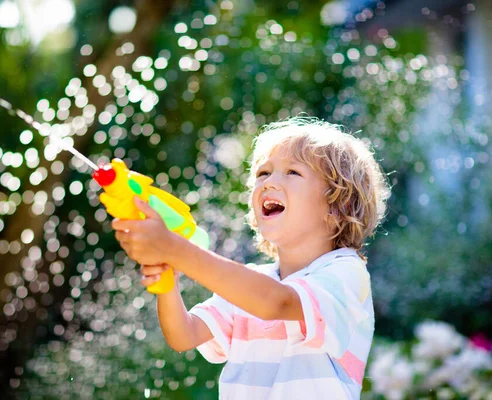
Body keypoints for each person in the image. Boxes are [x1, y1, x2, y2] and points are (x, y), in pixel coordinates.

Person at [111, 116, 390, 399]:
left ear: (337, 205)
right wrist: (168, 276)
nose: (269, 182)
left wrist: (175, 249)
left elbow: (276, 302)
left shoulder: (346, 274)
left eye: (292, 172)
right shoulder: (250, 284)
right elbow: (184, 335)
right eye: (263, 173)